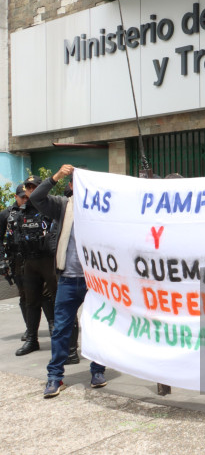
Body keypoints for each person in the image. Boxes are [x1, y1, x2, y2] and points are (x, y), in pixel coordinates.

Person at [28, 165, 108, 398]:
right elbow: (35, 197)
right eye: (76, 183)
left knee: (97, 325)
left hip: (96, 282)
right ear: (71, 186)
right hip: (69, 279)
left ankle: (98, 371)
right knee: (61, 327)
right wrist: (56, 176)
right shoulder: (64, 206)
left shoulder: (103, 210)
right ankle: (55, 376)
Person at [13, 175, 56, 356]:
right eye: (28, 187)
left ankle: (58, 336)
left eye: (34, 187)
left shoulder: (51, 207)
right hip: (29, 262)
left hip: (48, 261)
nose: (30, 190)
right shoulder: (22, 211)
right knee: (31, 302)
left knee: (53, 299)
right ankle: (32, 339)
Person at [0, 184, 31, 342]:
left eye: (27, 196)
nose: (25, 199)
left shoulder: (35, 210)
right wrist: (2, 261)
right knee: (24, 295)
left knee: (46, 295)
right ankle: (30, 330)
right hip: (17, 260)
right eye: (22, 197)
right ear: (16, 197)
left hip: (36, 258)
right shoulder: (6, 214)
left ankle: (52, 325)